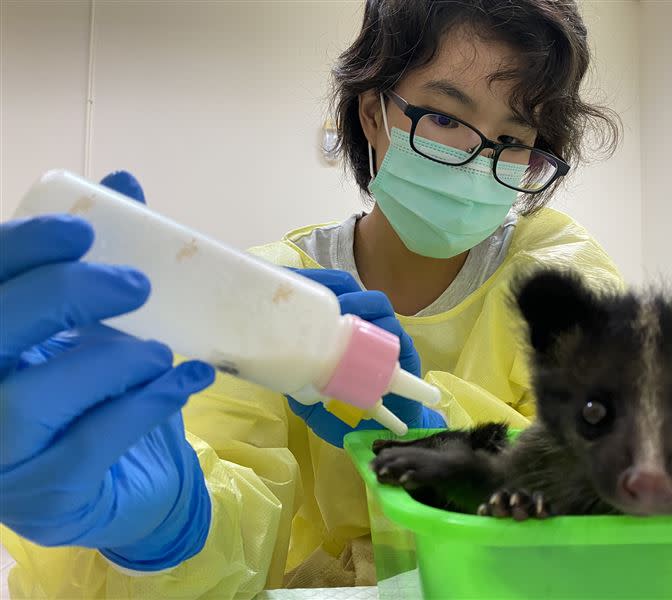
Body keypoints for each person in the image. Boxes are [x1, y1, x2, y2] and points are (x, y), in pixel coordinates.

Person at [0, 0, 623, 596]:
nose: (474, 161)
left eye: (512, 139)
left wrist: (443, 446)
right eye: (445, 117)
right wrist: (170, 526)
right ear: (373, 113)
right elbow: (238, 536)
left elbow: (615, 519)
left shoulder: (557, 285)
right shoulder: (274, 293)